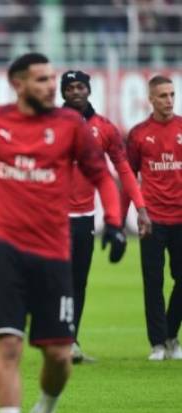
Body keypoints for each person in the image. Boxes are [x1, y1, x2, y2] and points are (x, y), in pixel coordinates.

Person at [0, 53, 123, 413]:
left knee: (59, 356)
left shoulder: (69, 126)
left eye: (51, 78)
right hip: (7, 250)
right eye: (41, 79)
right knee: (9, 344)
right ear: (18, 83)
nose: (49, 85)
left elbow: (101, 175)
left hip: (54, 253)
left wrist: (113, 219)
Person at [61, 70, 152, 363]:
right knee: (54, 281)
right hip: (52, 218)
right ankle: (58, 338)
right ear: (63, 93)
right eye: (70, 87)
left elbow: (124, 170)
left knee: (78, 282)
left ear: (89, 90)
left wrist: (140, 207)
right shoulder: (50, 125)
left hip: (85, 218)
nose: (76, 92)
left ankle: (70, 342)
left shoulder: (105, 129)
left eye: (80, 87)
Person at [125, 75, 182, 361]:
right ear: (150, 99)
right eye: (162, 96)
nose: (169, 100)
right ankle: (158, 343)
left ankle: (171, 335)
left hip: (181, 217)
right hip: (153, 219)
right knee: (153, 281)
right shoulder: (138, 134)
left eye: (172, 94)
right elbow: (128, 176)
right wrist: (122, 217)